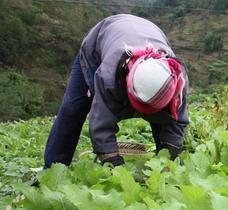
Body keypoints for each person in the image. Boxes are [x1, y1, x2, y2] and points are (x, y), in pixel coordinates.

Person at [44, 14, 189, 168]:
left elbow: (176, 123)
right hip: (98, 46)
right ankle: (53, 167)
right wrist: (113, 162)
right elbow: (101, 124)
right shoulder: (109, 77)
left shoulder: (177, 78)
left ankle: (162, 168)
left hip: (148, 30)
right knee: (72, 109)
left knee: (165, 120)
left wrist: (167, 158)